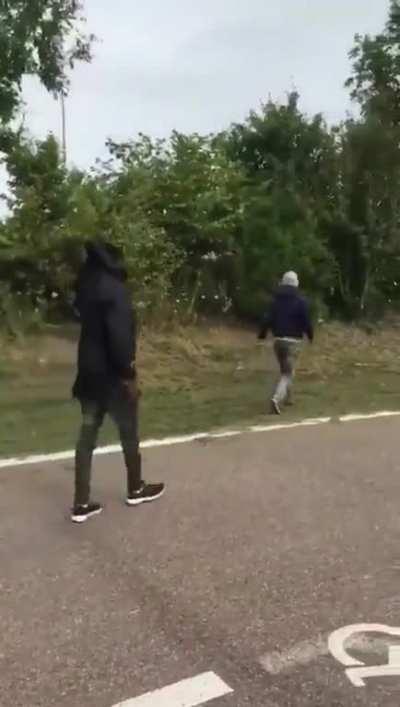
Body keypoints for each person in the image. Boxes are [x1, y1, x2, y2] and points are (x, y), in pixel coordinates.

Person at [71, 240, 165, 523]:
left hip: (87, 374)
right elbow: (120, 337)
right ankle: (135, 487)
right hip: (112, 376)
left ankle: (80, 503)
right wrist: (129, 373)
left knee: (86, 438)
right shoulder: (114, 291)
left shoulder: (84, 290)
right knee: (128, 432)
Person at [258, 271, 313, 415]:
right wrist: (310, 335)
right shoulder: (300, 301)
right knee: (288, 374)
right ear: (296, 284)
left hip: (278, 342)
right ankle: (276, 399)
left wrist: (262, 334)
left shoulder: (275, 301)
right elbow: (306, 321)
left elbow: (267, 319)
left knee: (286, 371)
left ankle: (289, 398)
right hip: (293, 342)